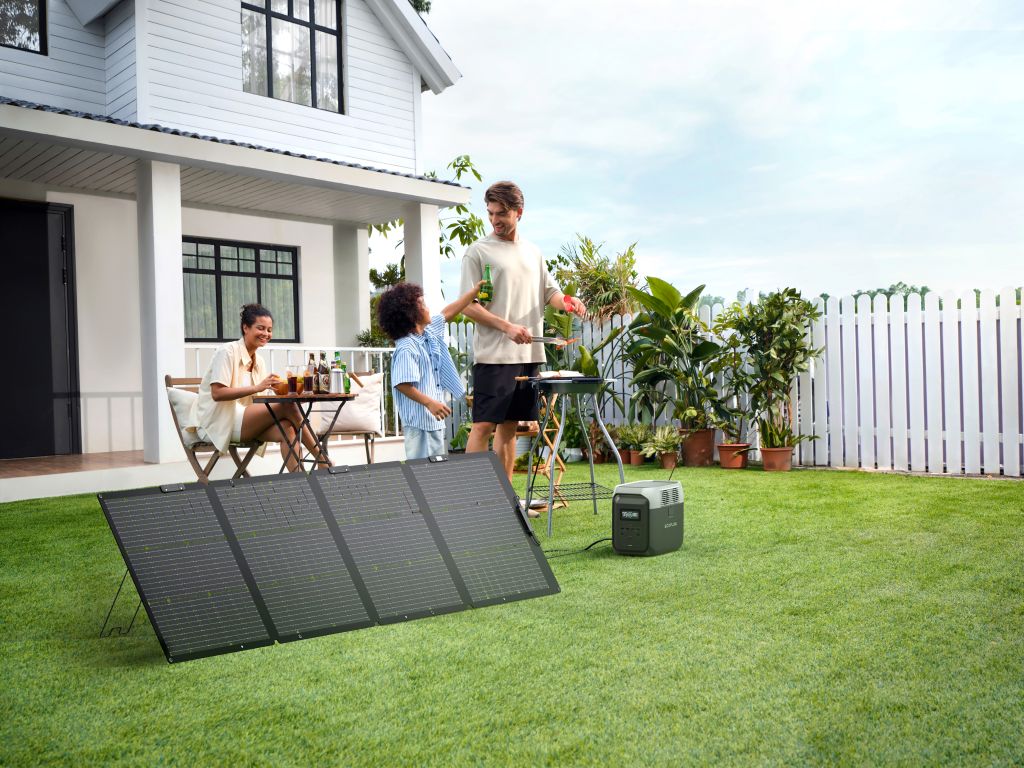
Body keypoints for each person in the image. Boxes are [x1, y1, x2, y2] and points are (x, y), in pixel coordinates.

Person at [459, 181, 587, 489]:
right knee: (483, 426)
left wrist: (567, 301)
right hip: (495, 355)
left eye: (501, 213)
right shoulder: (477, 252)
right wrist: (507, 327)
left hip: (529, 356)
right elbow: (468, 307)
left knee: (509, 430)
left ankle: (505, 503)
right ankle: (470, 501)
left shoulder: (533, 253)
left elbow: (550, 292)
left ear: (519, 212)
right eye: (490, 213)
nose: (495, 220)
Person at [190, 303, 329, 472]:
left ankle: (300, 483)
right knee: (289, 406)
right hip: (219, 423)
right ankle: (323, 461)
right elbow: (217, 393)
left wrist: (277, 390)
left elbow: (258, 400)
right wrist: (258, 387)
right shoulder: (227, 352)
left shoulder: (258, 361)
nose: (266, 334)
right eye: (261, 328)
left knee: (288, 429)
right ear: (245, 328)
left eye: (269, 330)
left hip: (244, 421)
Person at [378, 280, 483, 460]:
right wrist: (429, 403)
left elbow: (448, 312)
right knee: (422, 475)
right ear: (411, 313)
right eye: (423, 304)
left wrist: (474, 292)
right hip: (419, 424)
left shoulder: (429, 333)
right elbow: (402, 384)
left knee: (434, 475)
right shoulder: (407, 347)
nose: (428, 308)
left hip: (433, 422)